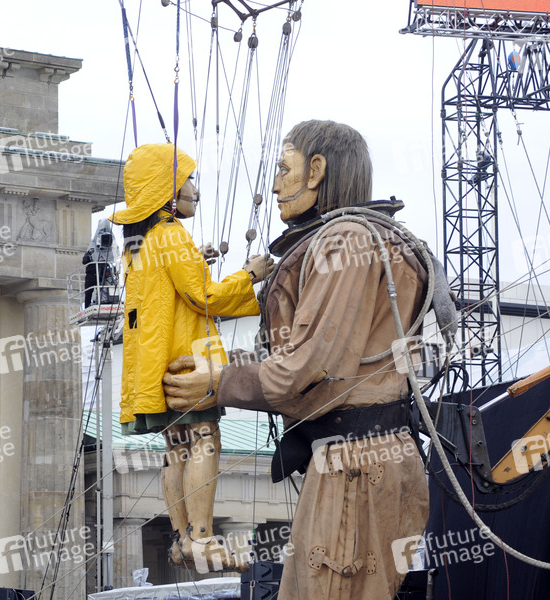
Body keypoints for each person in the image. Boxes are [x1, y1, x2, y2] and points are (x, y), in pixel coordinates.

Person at [164, 120, 430, 599]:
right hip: (360, 460)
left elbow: (309, 367)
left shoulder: (346, 240)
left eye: (283, 169)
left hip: (353, 468)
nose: (274, 184)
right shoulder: (373, 238)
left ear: (316, 170)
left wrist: (219, 382)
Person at [111, 143, 274, 571]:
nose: (195, 191)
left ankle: (182, 539)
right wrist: (251, 275)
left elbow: (162, 290)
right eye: (188, 181)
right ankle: (202, 538)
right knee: (204, 438)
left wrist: (194, 259)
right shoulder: (171, 235)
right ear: (167, 192)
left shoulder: (139, 243)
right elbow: (207, 297)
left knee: (177, 447)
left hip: (155, 362)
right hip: (187, 360)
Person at [83, 220, 118, 307]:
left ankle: (101, 302)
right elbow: (84, 261)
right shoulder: (93, 244)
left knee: (103, 290)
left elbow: (115, 254)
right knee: (88, 292)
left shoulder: (111, 242)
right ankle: (87, 306)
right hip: (92, 272)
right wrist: (89, 254)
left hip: (103, 272)